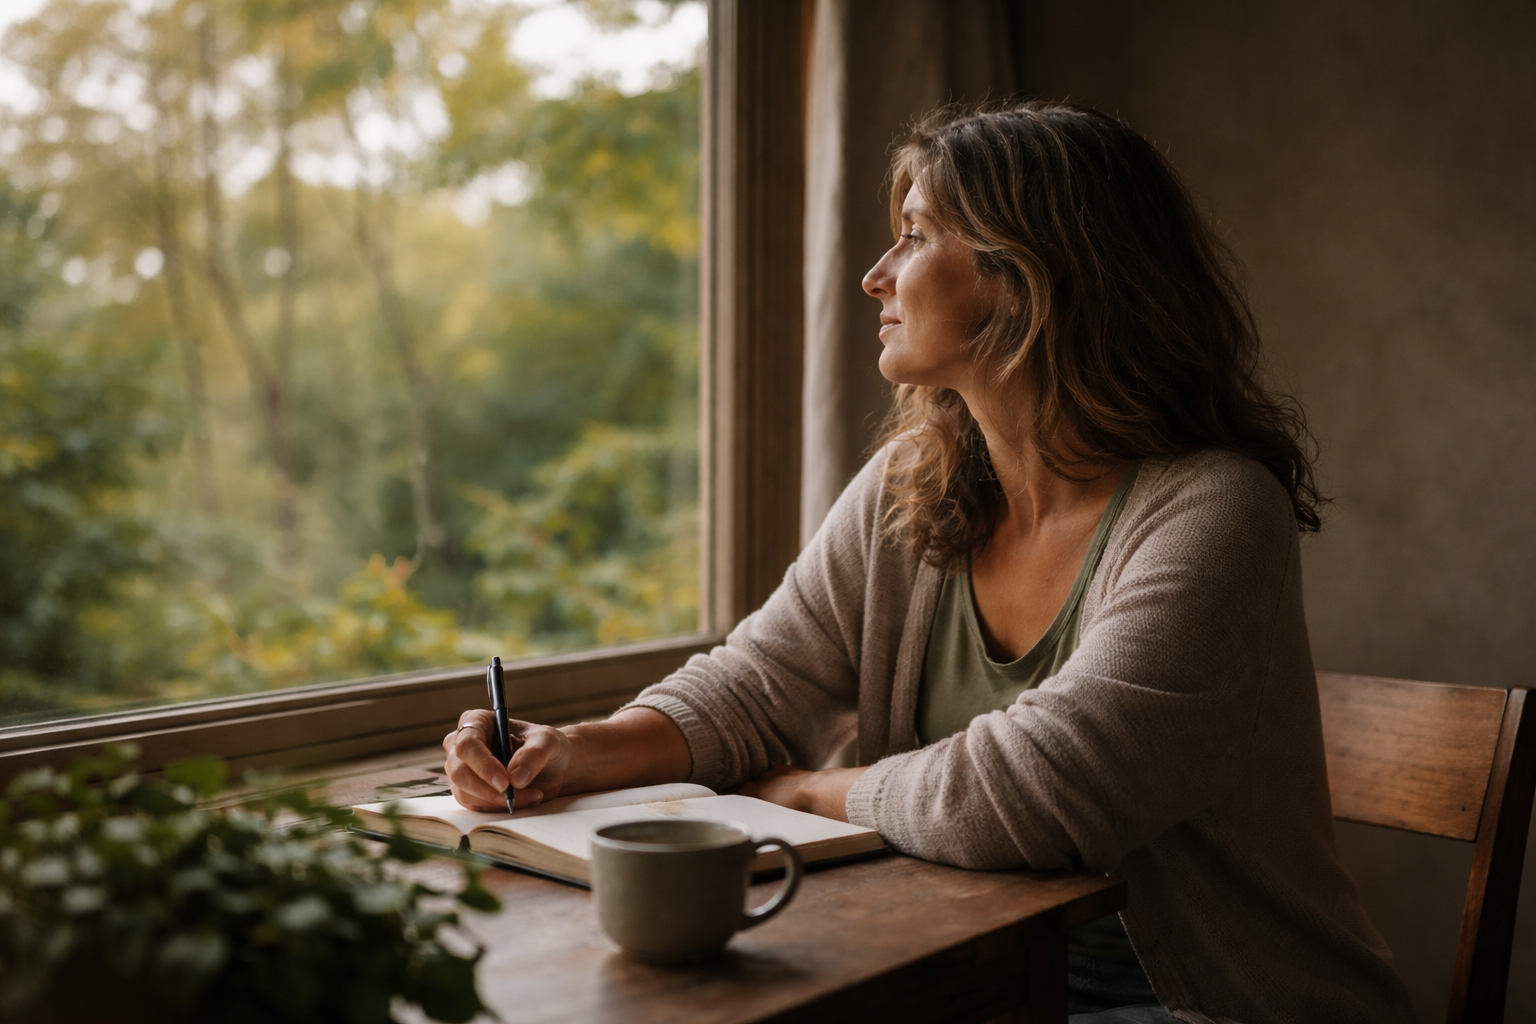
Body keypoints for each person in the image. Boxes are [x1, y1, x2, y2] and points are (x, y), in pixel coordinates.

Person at [444, 102, 1414, 1024]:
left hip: (1204, 1005)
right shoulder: (914, 486)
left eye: (913, 236)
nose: (876, 274)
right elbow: (759, 680)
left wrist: (804, 790)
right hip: (975, 979)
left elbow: (1035, 793)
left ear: (1026, 274)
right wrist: (572, 748)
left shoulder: (1216, 509)